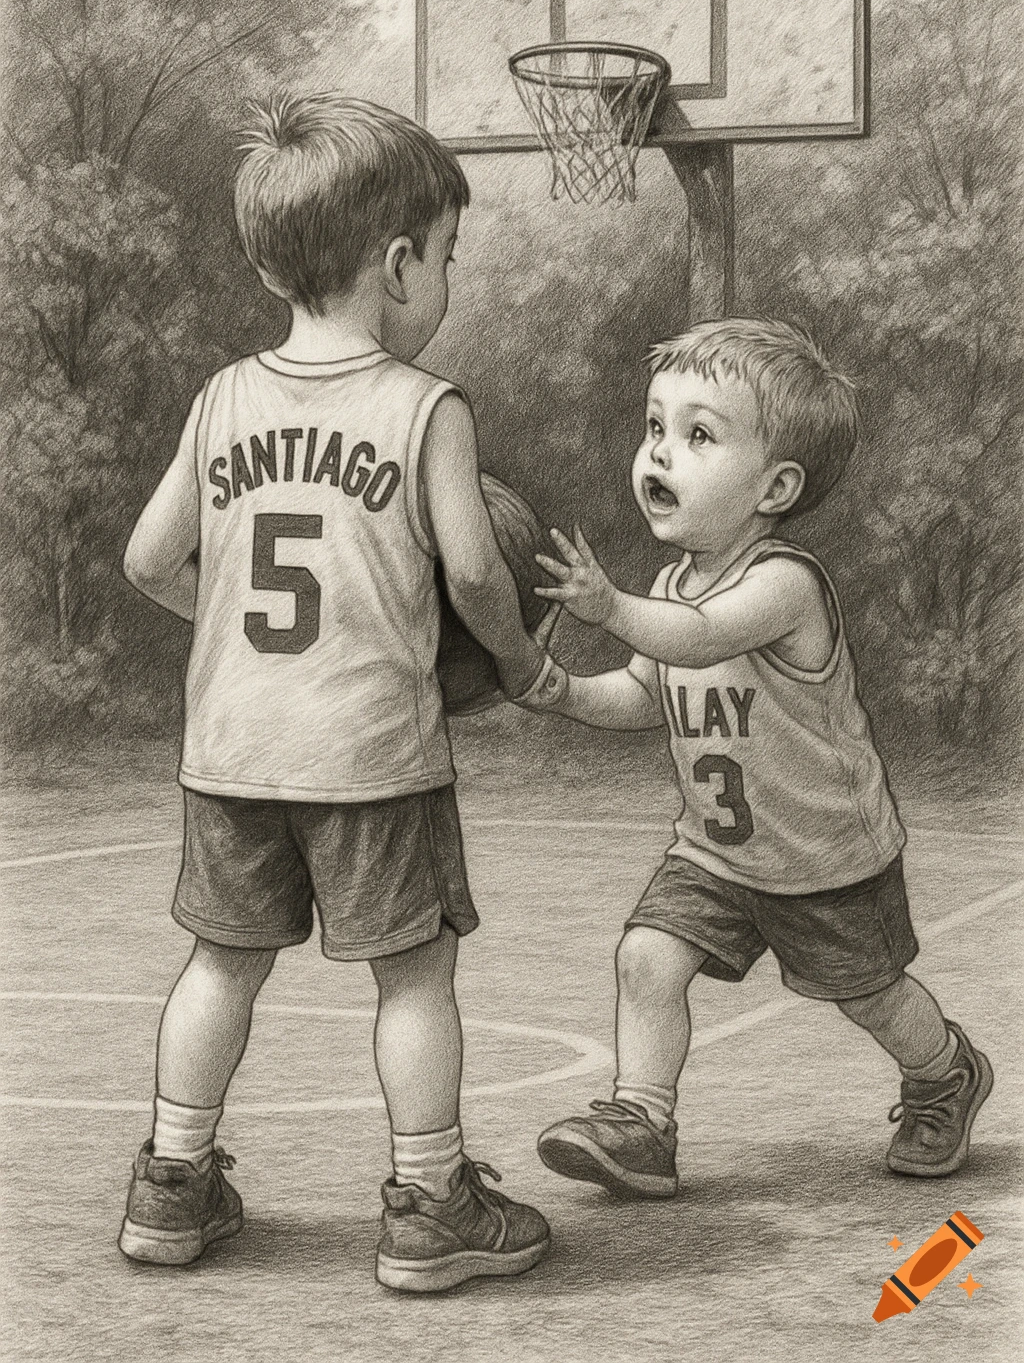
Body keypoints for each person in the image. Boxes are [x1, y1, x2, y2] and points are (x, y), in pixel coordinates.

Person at [118, 93, 552, 1291]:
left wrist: (242, 644)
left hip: (232, 753)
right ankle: (428, 1202)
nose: (445, 280)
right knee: (413, 974)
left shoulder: (222, 399)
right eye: (447, 258)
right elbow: (470, 567)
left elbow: (150, 562)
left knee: (219, 965)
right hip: (373, 758)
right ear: (401, 262)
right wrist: (514, 661)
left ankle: (171, 1182)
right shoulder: (425, 408)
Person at [524, 318, 992, 1198]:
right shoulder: (670, 587)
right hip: (715, 855)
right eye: (655, 427)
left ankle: (944, 1074)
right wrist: (555, 689)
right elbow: (645, 692)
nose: (660, 453)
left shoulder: (785, 584)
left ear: (776, 485)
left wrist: (606, 605)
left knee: (872, 997)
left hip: (826, 859)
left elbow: (698, 642)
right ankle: (642, 1122)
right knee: (645, 957)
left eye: (698, 435)